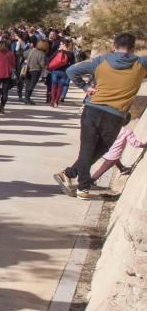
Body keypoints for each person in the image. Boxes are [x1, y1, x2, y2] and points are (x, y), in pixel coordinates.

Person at [54, 33, 147, 199]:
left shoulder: (101, 61)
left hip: (92, 109)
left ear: (113, 46)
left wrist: (85, 87)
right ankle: (83, 188)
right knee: (101, 148)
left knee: (87, 148)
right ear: (133, 48)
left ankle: (69, 173)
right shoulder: (141, 64)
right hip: (115, 115)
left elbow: (71, 70)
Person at [47, 38, 76, 107]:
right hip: (64, 72)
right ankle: (56, 102)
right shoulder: (71, 54)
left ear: (64, 45)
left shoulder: (58, 52)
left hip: (55, 71)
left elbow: (50, 59)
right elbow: (72, 64)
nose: (60, 45)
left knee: (54, 86)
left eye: (61, 44)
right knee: (60, 87)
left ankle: (52, 101)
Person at [22, 40, 49, 105]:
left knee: (28, 84)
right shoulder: (42, 54)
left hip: (27, 69)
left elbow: (24, 54)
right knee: (31, 85)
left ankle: (26, 98)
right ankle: (27, 98)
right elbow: (42, 64)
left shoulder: (31, 50)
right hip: (36, 70)